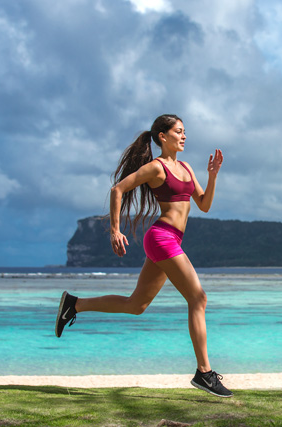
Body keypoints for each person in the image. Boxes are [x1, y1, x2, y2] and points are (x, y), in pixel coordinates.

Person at [55, 114, 232, 398]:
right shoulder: (156, 168)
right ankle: (204, 373)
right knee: (198, 298)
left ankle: (74, 305)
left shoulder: (186, 167)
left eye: (185, 132)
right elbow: (118, 189)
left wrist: (212, 177)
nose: (184, 136)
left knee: (136, 305)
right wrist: (115, 230)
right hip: (162, 238)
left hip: (171, 240)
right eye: (178, 131)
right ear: (162, 136)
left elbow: (205, 204)